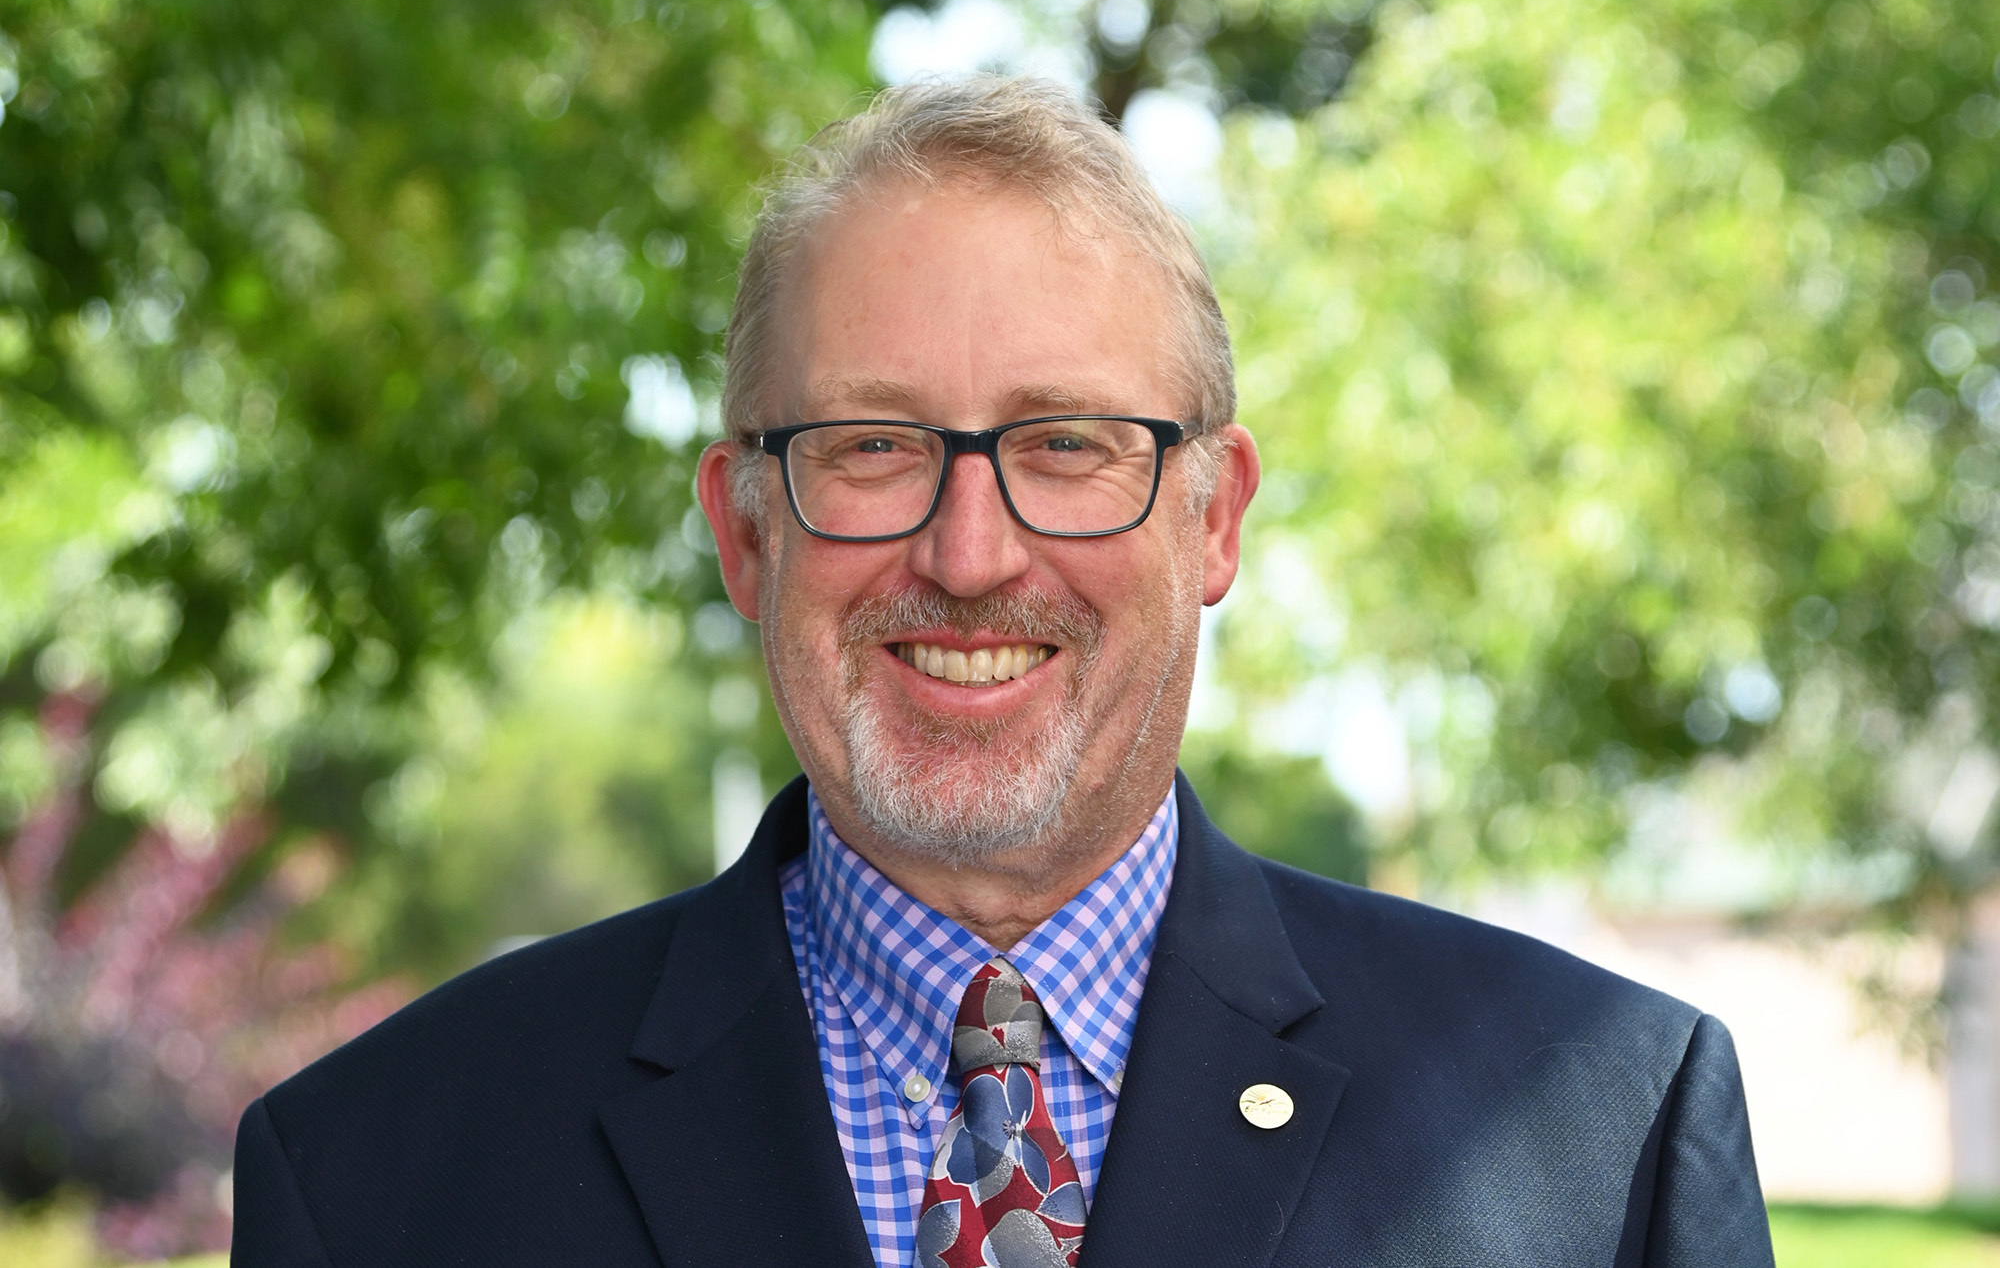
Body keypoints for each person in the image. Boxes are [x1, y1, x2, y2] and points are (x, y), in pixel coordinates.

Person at [230, 76, 1774, 1268]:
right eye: (872, 446)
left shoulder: (1603, 1134)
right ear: (746, 532)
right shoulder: (375, 1176)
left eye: (1066, 445)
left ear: (1214, 518)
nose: (970, 554)